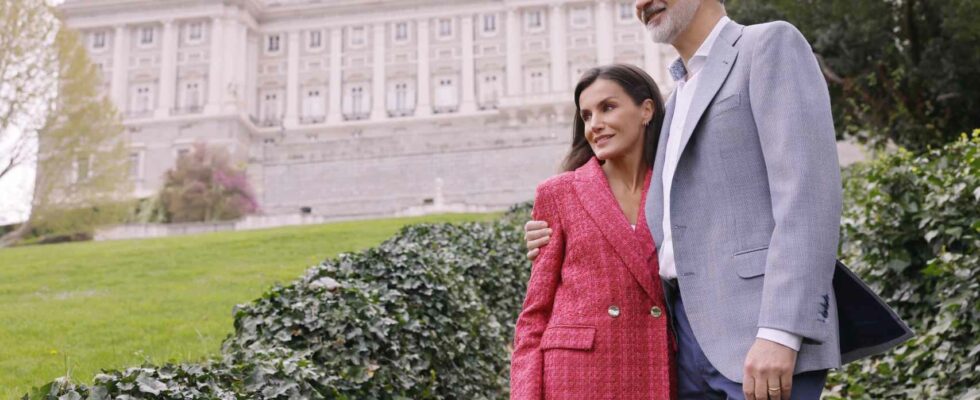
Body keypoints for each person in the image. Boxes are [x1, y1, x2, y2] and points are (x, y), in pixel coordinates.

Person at [523, 1, 913, 399]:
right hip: (684, 344)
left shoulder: (767, 45)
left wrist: (780, 331)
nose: (642, 3)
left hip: (758, 333)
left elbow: (807, 199)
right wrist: (560, 230)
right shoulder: (675, 100)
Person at [510, 64, 673, 400]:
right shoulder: (559, 193)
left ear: (646, 109)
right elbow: (534, 314)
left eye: (607, 108)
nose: (594, 124)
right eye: (586, 115)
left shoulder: (675, 188)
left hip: (656, 364)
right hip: (576, 376)